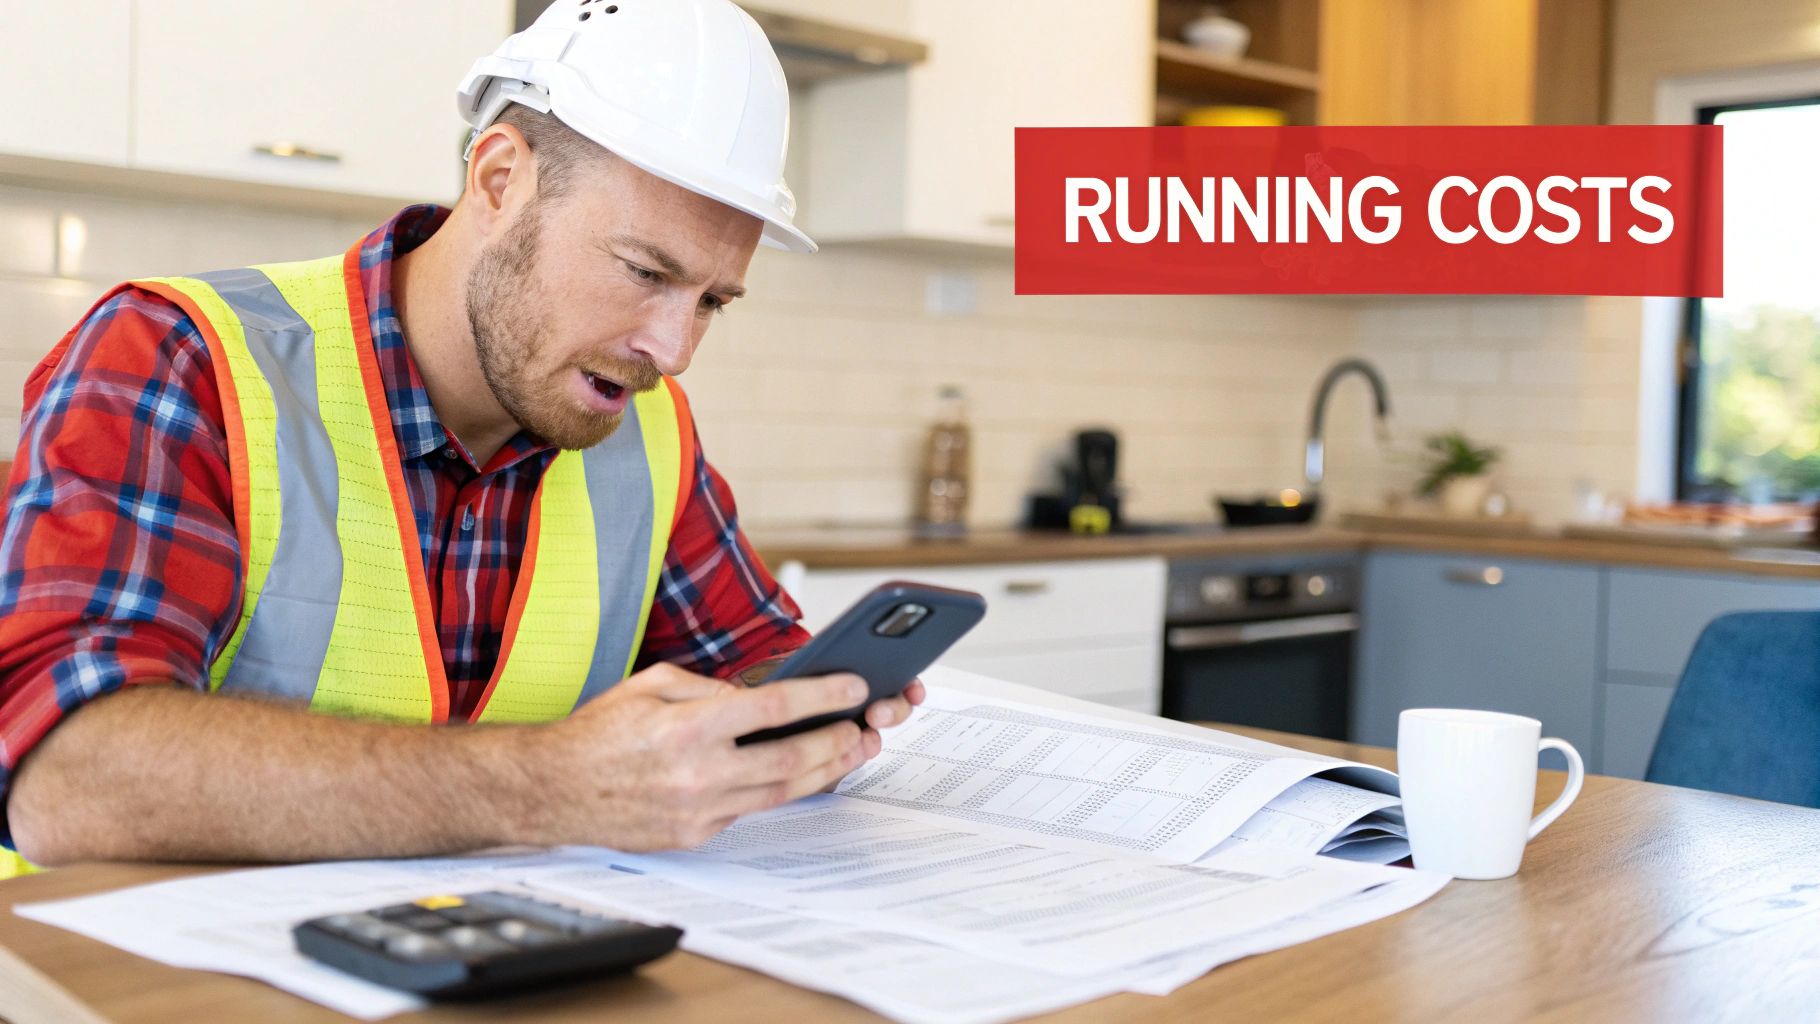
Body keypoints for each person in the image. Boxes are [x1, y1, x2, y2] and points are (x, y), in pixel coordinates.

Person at [0, 0, 922, 872]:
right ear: (499, 178)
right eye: (644, 271)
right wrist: (550, 783)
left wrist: (806, 715)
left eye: (712, 301)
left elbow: (750, 664)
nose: (673, 350)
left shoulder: (644, 425)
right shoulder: (180, 359)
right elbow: (66, 777)